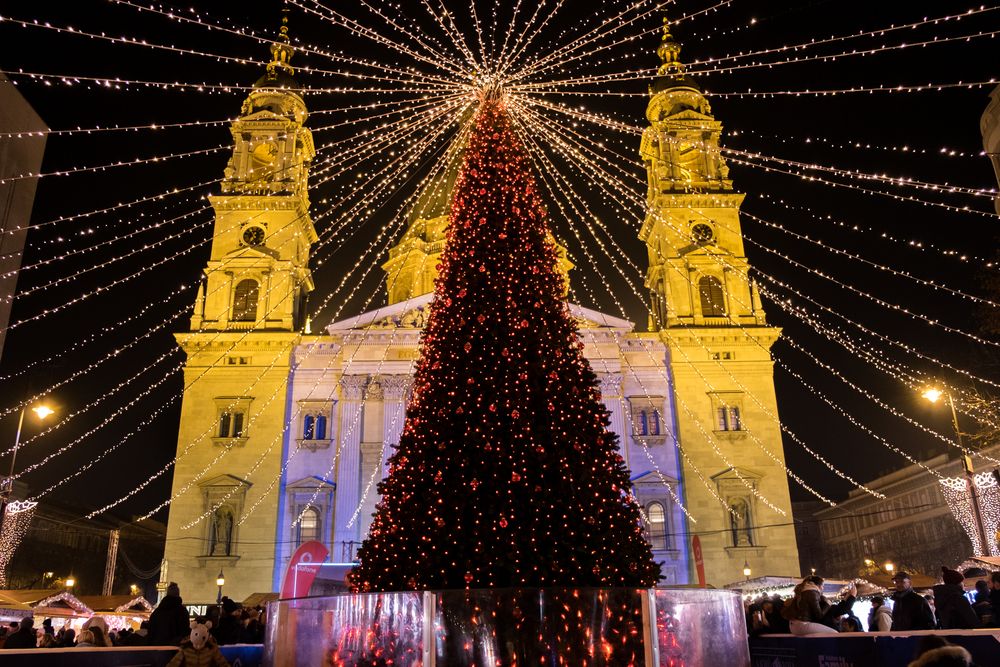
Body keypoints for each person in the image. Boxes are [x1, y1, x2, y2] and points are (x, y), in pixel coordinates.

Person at [148, 582, 191, 646]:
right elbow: (184, 631)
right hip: (174, 648)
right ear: (178, 594)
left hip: (157, 648)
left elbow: (151, 630)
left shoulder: (157, 612)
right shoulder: (181, 611)